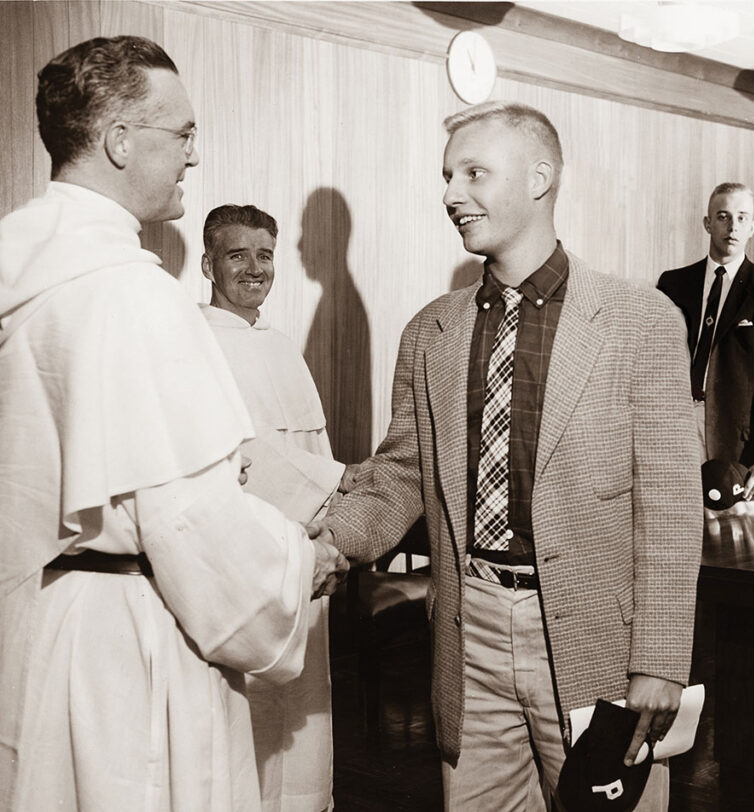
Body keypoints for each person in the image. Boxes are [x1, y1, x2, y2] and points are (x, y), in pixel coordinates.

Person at [324, 101, 703, 810]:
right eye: (446, 176)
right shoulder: (429, 331)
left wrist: (658, 660)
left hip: (597, 643)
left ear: (540, 178)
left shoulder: (640, 321)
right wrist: (329, 544)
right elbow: (403, 473)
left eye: (473, 173)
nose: (449, 194)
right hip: (469, 633)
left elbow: (672, 507)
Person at [0, 36, 343, 810]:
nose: (193, 155)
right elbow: (190, 520)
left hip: (36, 626)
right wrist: (299, 566)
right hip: (131, 640)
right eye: (181, 133)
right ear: (120, 140)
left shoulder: (20, 263)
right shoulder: (132, 293)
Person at [200, 204, 350, 811]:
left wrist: (329, 526)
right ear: (209, 264)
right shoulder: (196, 342)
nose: (254, 269)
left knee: (305, 697)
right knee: (248, 706)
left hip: (304, 551)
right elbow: (230, 458)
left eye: (265, 255)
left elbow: (314, 447)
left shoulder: (284, 346)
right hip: (247, 555)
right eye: (238, 255)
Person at [657, 182, 754, 503]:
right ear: (708, 223)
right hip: (677, 428)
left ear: (753, 227)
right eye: (723, 217)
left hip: (737, 441)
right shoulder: (673, 283)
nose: (733, 227)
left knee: (737, 538)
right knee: (676, 522)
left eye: (742, 218)